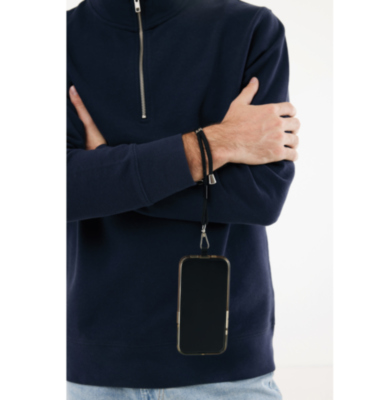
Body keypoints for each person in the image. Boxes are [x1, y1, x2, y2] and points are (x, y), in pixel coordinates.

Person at [67, 0, 300, 398]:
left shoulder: (250, 29)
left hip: (227, 369)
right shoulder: (56, 41)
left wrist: (106, 170)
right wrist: (216, 144)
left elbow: (261, 196)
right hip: (95, 370)